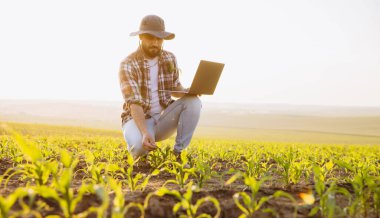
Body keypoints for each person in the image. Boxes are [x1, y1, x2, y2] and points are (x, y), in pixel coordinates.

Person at [119, 15, 202, 159]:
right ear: (141, 38)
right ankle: (140, 142)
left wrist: (188, 91)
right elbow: (134, 103)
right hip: (138, 120)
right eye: (151, 38)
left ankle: (179, 154)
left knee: (193, 102)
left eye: (159, 39)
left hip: (164, 118)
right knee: (139, 149)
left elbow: (175, 87)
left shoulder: (170, 58)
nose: (155, 43)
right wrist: (145, 132)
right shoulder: (127, 64)